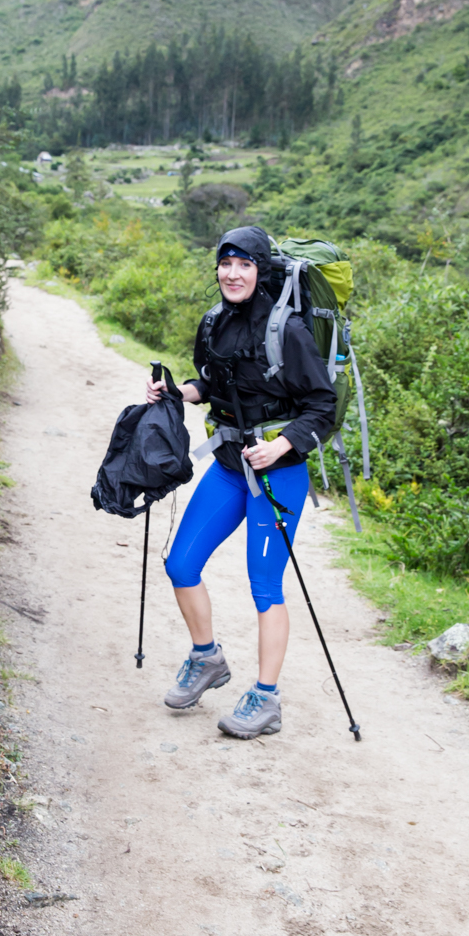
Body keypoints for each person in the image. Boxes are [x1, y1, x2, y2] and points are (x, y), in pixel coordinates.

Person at [145, 225, 336, 739]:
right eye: (225, 263)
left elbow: (323, 405)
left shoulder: (288, 331)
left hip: (279, 477)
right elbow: (214, 381)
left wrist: (283, 444)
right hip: (230, 468)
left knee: (264, 585)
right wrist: (179, 391)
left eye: (244, 264)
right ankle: (207, 658)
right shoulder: (213, 322)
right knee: (180, 563)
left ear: (260, 269)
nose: (233, 273)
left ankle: (266, 698)